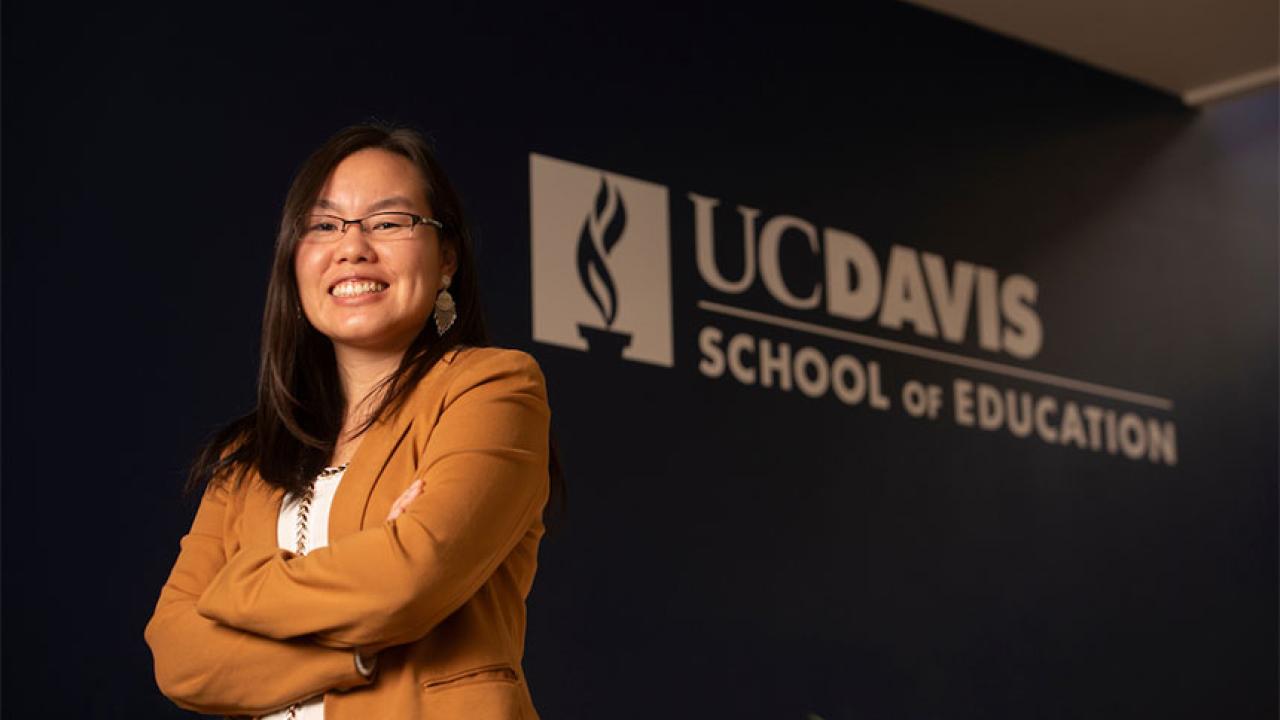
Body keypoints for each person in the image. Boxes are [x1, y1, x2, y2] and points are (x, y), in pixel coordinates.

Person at [144, 123, 557, 719]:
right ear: (295, 260)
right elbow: (180, 657)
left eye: (389, 223)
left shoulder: (492, 388)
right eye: (325, 225)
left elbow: (410, 582)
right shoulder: (251, 451)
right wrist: (358, 650)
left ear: (446, 260)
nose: (353, 247)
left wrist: (236, 588)